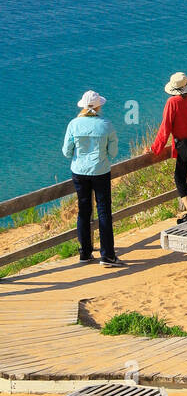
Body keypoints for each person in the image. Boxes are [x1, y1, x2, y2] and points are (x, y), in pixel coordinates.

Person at [62, 91, 122, 266]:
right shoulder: (106, 125)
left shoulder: (73, 124)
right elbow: (113, 152)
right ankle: (108, 255)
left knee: (83, 210)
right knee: (104, 212)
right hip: (100, 171)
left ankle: (85, 253)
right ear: (98, 106)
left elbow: (66, 152)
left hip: (79, 172)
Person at [151, 72, 187, 223]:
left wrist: (156, 148)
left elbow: (165, 128)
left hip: (185, 147)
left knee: (179, 178)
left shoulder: (172, 103)